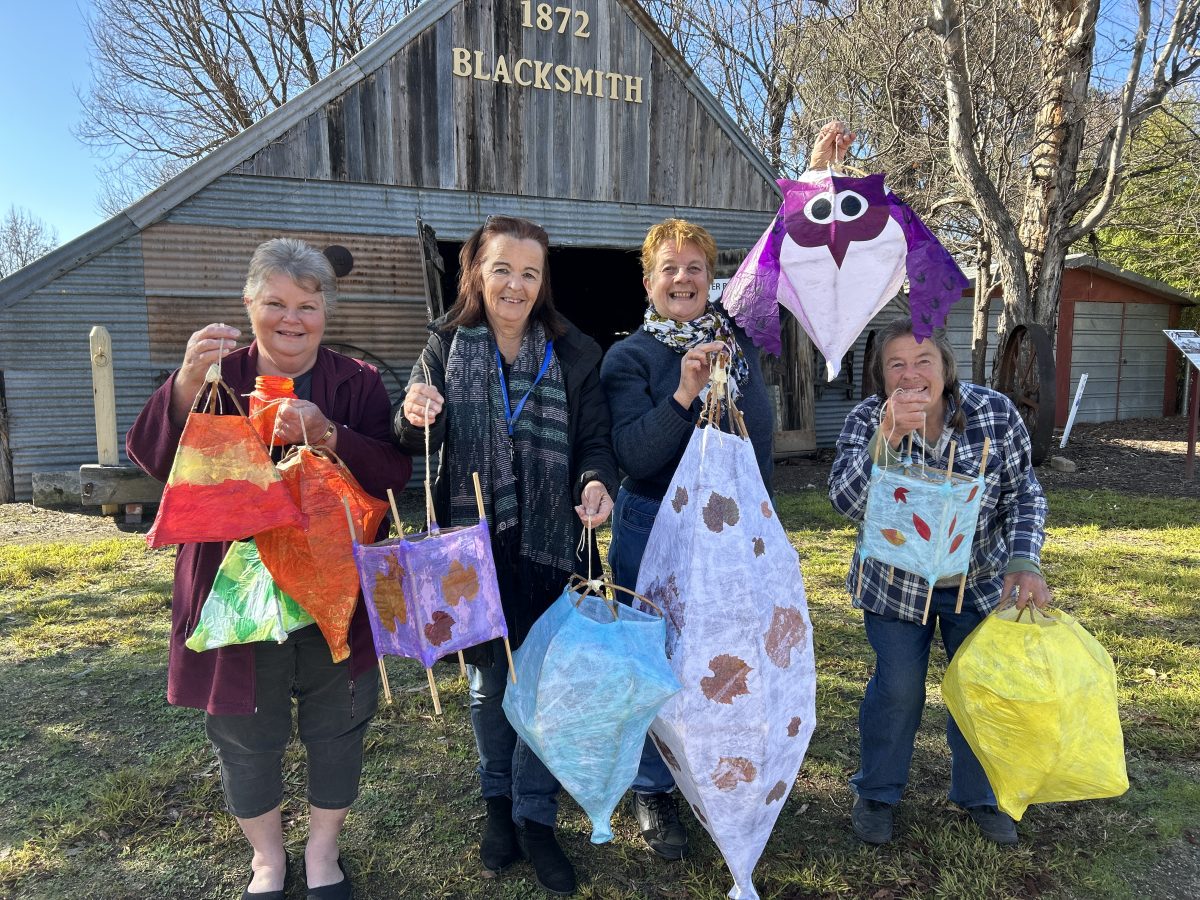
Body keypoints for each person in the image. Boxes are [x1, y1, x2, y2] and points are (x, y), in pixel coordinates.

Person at [127, 238, 412, 900]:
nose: (292, 319)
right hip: (235, 593)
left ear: (326, 312)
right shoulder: (215, 375)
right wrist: (181, 388)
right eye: (276, 303)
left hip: (331, 591)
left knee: (337, 724)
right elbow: (154, 462)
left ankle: (321, 854)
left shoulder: (358, 383)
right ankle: (265, 861)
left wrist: (329, 433)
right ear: (249, 305)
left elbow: (394, 472)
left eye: (307, 305)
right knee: (244, 731)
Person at [393, 215, 617, 897]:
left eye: (529, 271)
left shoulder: (576, 353)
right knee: (491, 684)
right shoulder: (443, 345)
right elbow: (406, 433)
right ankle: (498, 805)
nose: (515, 284)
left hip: (553, 547)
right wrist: (415, 410)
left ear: (542, 281)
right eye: (501, 269)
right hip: (473, 546)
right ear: (477, 273)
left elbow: (597, 445)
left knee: (542, 686)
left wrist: (596, 483)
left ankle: (537, 816)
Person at [828, 316, 1050, 847]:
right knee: (898, 689)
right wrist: (886, 438)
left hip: (978, 583)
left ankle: (981, 795)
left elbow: (1025, 492)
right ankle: (878, 792)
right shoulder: (867, 421)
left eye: (923, 360)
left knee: (978, 689)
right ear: (881, 377)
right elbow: (845, 501)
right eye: (896, 364)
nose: (911, 374)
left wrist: (1025, 558)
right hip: (895, 587)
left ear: (945, 368)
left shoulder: (993, 414)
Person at [598, 218, 775, 860]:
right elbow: (633, 458)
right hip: (652, 530)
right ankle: (652, 789)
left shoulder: (740, 346)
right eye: (669, 268)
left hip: (728, 531)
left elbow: (757, 451)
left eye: (695, 267)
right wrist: (684, 393)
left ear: (711, 278)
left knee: (720, 654)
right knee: (654, 661)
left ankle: (711, 774)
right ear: (649, 282)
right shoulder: (630, 358)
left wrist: (763, 528)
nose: (683, 278)